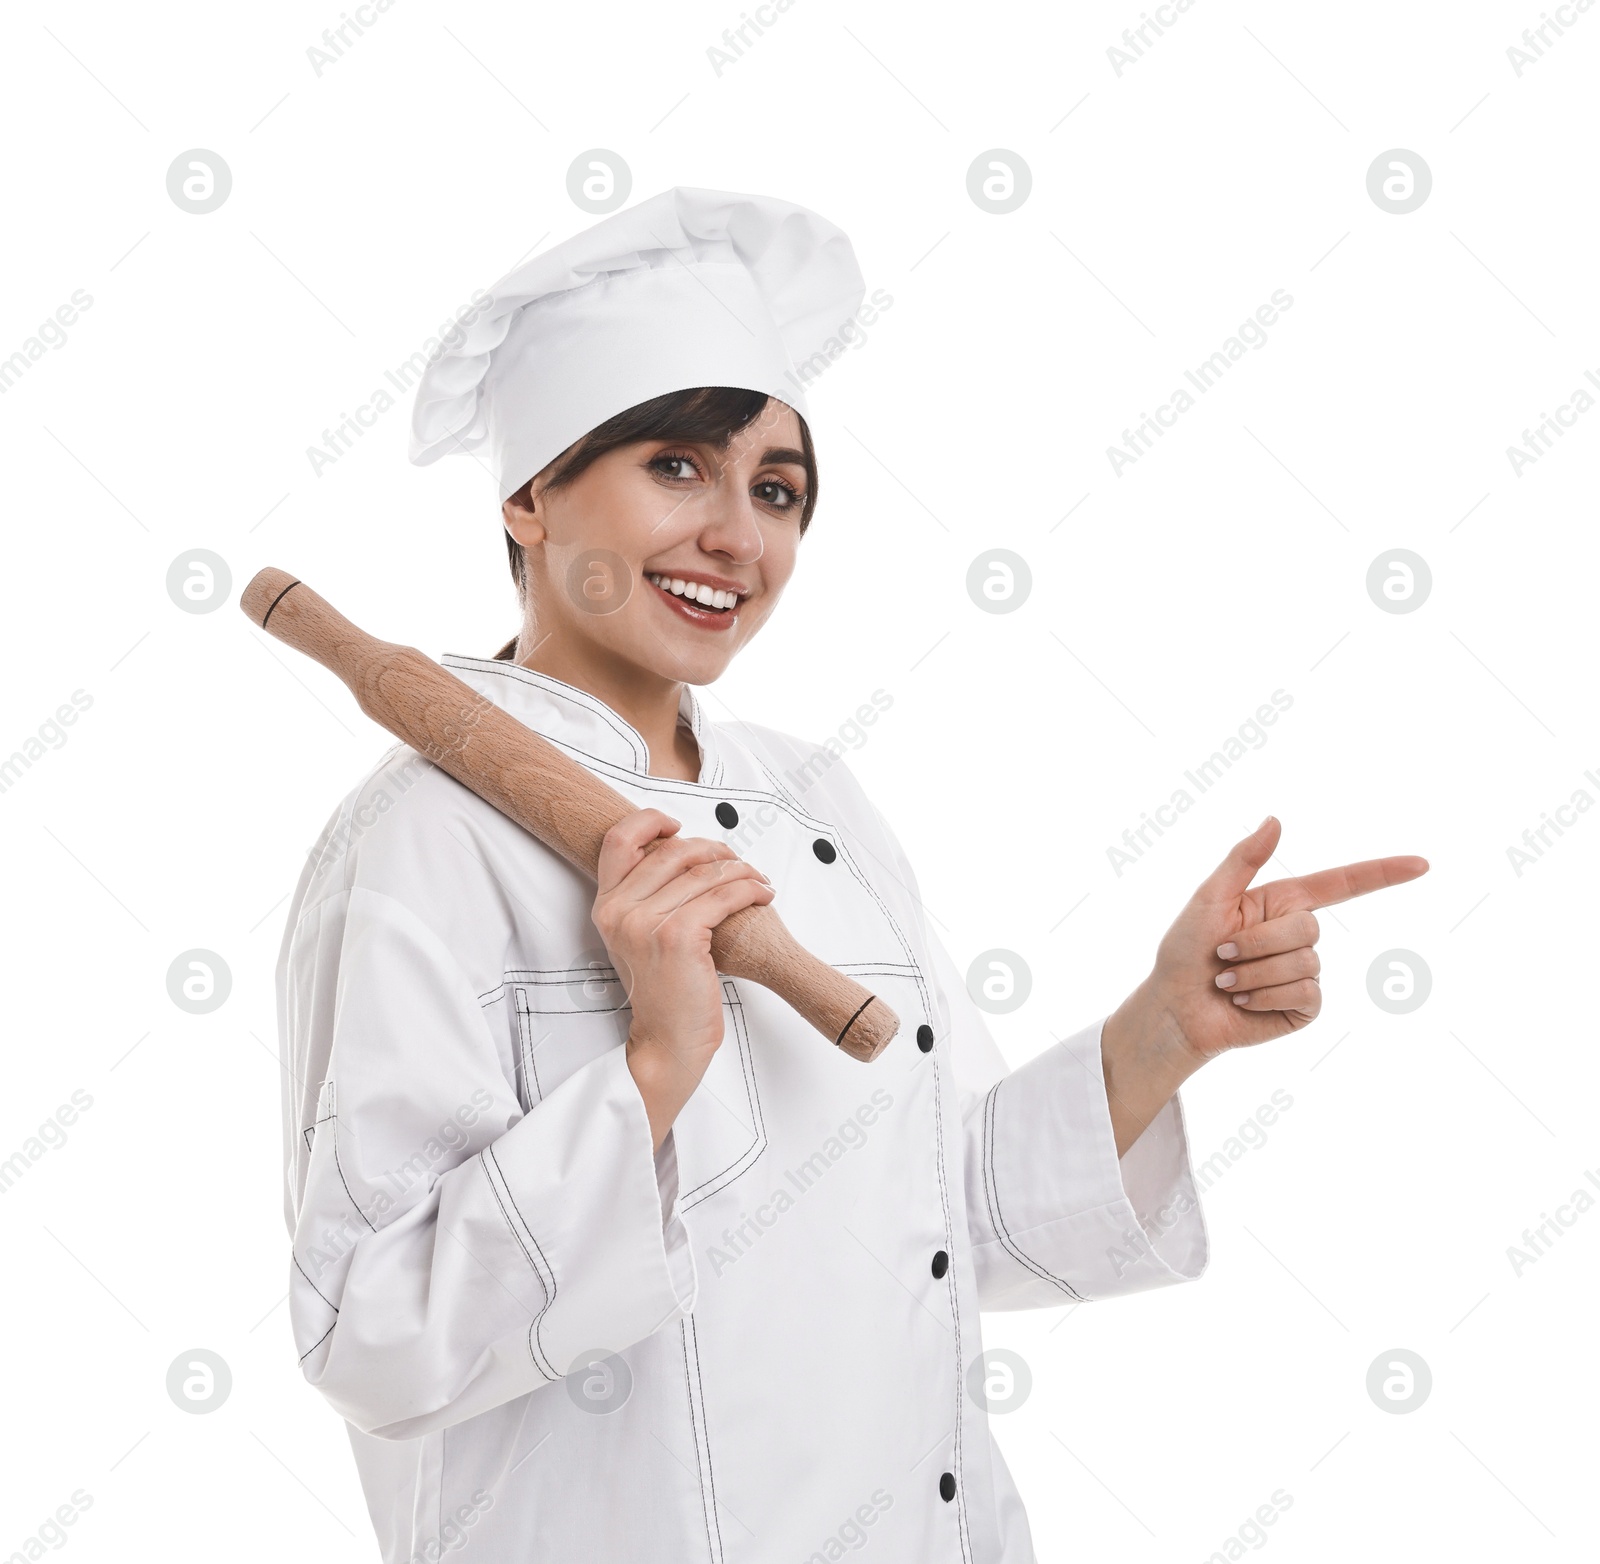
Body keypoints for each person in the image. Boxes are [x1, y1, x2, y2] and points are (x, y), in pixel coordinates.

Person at [276, 187, 1427, 1563]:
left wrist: (1162, 1032)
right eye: (678, 467)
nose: (740, 538)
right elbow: (375, 1341)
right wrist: (656, 1066)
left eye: (779, 493)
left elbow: (944, 1230)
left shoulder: (812, 798)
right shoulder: (419, 843)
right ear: (530, 495)